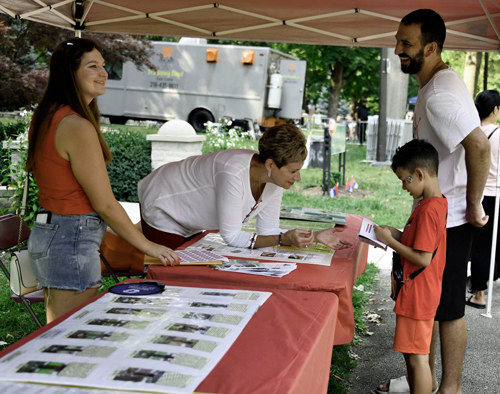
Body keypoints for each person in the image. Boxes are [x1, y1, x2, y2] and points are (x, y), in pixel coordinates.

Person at [376, 9, 490, 394]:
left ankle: (449, 388)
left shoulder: (439, 94)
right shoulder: (436, 83)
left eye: (406, 44)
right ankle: (422, 379)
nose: (397, 50)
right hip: (442, 215)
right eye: (397, 40)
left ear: (432, 47)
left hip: (452, 220)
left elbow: (478, 145)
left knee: (449, 309)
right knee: (433, 308)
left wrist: (473, 204)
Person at [26, 38, 179, 324]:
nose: (103, 73)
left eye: (104, 65)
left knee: (60, 332)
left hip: (52, 232)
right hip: (70, 238)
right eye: (92, 66)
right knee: (72, 337)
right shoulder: (76, 125)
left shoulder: (47, 115)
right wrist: (147, 246)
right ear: (70, 74)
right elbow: (105, 204)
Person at [138, 123, 348, 251]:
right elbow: (232, 237)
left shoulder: (273, 179)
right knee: (177, 270)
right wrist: (284, 239)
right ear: (270, 165)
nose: (298, 178)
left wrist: (315, 234)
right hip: (163, 204)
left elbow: (269, 231)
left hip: (188, 217)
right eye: (293, 171)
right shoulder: (233, 172)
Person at [374, 139, 447, 394]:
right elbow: (418, 241)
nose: (404, 187)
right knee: (411, 354)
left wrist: (390, 242)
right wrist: (393, 233)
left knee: (417, 359)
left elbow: (423, 257)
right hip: (419, 292)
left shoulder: (427, 210)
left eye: (405, 180)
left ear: (419, 174)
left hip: (419, 293)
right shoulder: (434, 203)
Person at [467, 90, 500, 309]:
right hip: (497, 194)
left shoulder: (472, 133)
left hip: (477, 195)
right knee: (490, 244)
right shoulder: (498, 133)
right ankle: (481, 288)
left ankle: (479, 291)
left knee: (479, 245)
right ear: (496, 109)